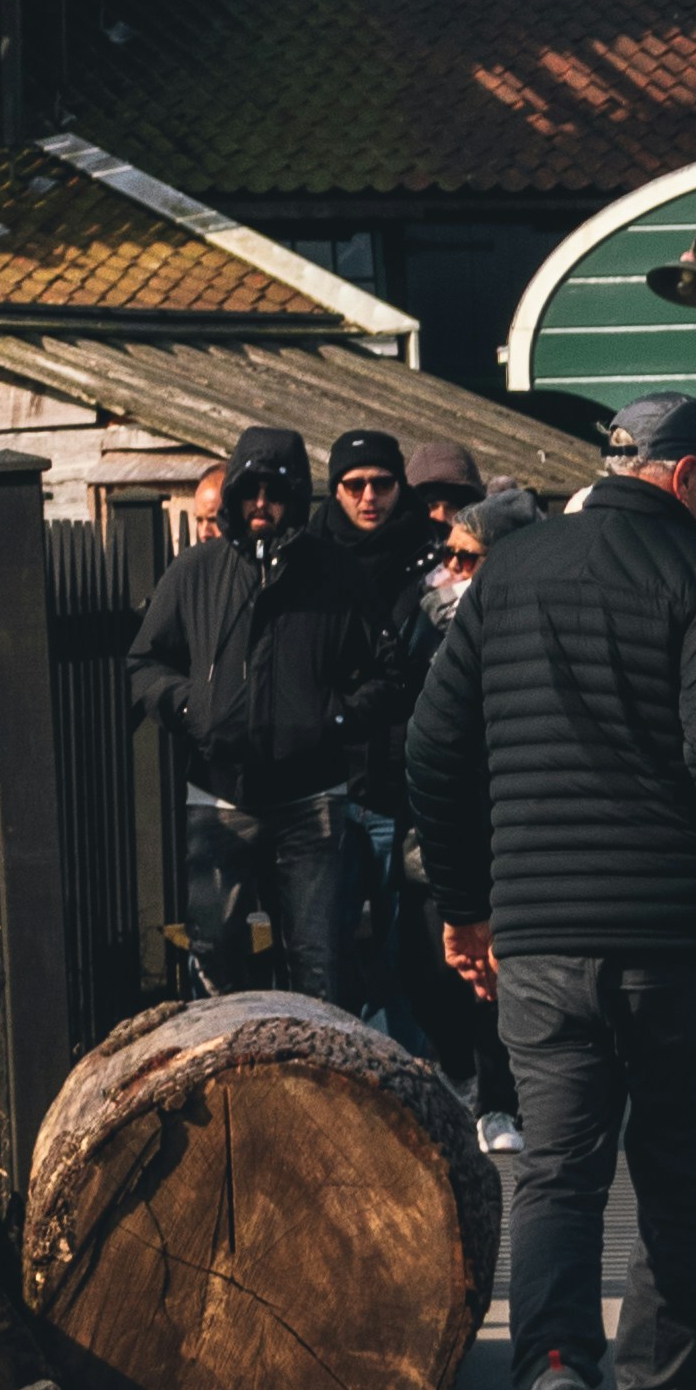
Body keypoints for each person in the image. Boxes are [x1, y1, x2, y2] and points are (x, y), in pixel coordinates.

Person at [401, 387, 696, 1390]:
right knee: (674, 1177)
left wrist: (465, 909)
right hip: (673, 944)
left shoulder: (509, 572)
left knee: (558, 1171)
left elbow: (431, 750)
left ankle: (555, 1370)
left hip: (543, 942)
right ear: (682, 476)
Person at [129, 422, 415, 1006]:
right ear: (233, 494)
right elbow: (144, 663)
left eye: (276, 491)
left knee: (319, 961)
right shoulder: (196, 572)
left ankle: (319, 1091)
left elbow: (390, 675)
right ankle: (218, 1081)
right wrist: (190, 707)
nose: (262, 504)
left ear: (296, 498)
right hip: (218, 796)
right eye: (250, 490)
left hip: (313, 800)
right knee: (215, 957)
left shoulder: (337, 575)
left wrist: (332, 721)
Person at [388, 482, 538, 1144]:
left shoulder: (533, 628)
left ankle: (498, 1101)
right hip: (437, 830)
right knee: (427, 972)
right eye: (450, 555)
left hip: (509, 825)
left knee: (495, 977)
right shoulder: (426, 617)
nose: (451, 571)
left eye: (468, 558)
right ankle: (461, 1074)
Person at [326, 427, 428, 1003]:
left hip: (403, 782)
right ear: (335, 489)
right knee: (329, 943)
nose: (369, 497)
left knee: (403, 950)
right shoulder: (314, 558)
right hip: (331, 781)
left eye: (383, 483)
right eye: (354, 484)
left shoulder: (429, 559)